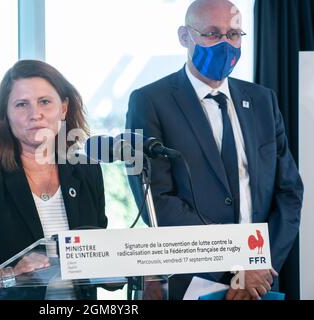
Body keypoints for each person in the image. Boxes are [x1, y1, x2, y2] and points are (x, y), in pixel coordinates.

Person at [126, 0, 303, 300]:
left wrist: (259, 266)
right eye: (212, 34)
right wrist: (233, 265)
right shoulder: (149, 101)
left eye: (233, 35)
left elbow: (289, 192)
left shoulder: (262, 100)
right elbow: (158, 202)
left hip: (261, 282)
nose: (225, 44)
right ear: (185, 36)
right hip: (194, 280)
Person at [0, 60, 107, 300]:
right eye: (21, 104)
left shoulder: (87, 171)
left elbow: (98, 257)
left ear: (64, 109)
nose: (35, 114)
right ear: (6, 114)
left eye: (45, 102)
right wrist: (11, 275)